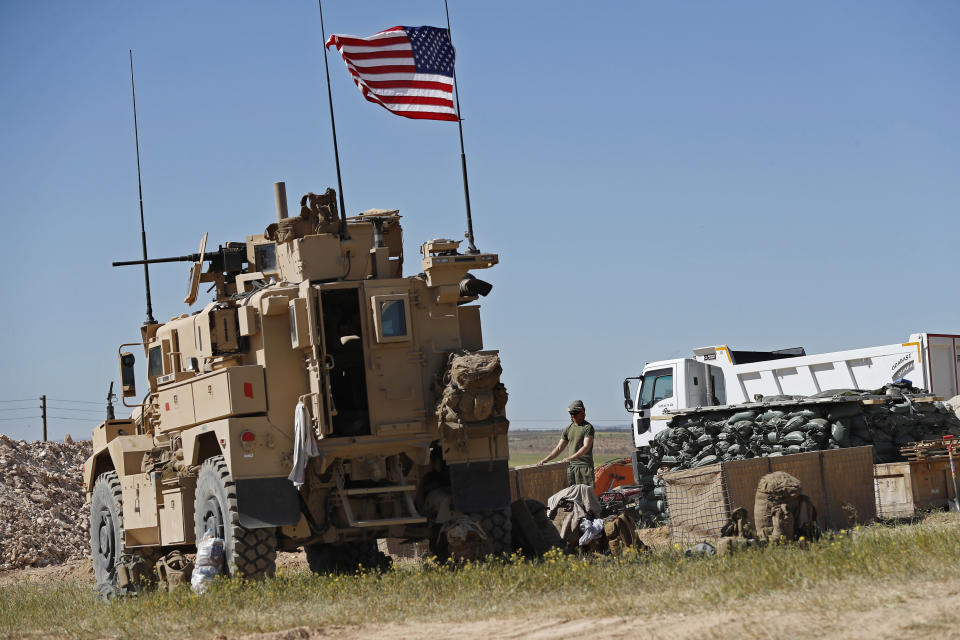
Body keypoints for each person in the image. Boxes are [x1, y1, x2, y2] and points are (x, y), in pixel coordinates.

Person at [537, 400, 595, 486]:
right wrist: (545, 460)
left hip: (584, 467)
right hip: (571, 467)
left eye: (575, 413)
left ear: (582, 412)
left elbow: (586, 447)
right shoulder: (568, 429)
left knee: (585, 495)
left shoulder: (587, 428)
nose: (573, 415)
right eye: (571, 413)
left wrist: (570, 458)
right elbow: (559, 448)